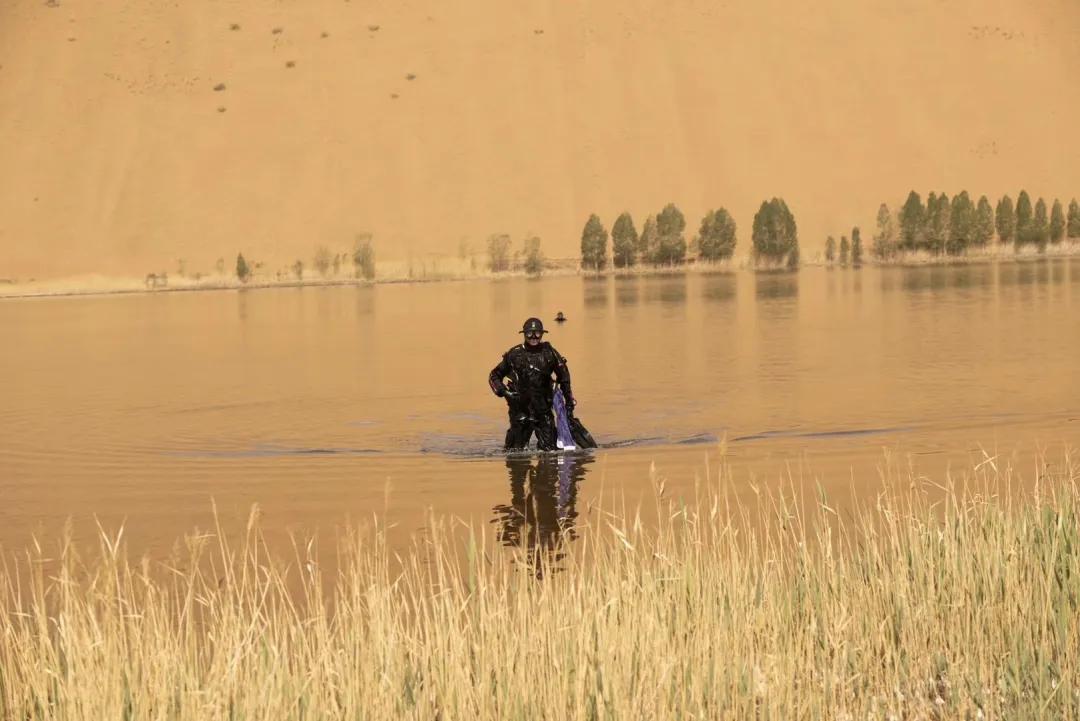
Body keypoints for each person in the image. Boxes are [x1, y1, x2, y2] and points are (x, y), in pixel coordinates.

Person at [488, 317, 575, 451]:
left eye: (537, 333)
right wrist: (504, 392)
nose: (533, 337)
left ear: (542, 334)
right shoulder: (514, 354)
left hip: (543, 409)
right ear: (524, 334)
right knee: (515, 454)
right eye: (529, 333)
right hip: (520, 409)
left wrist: (568, 403)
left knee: (550, 452)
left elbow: (564, 377)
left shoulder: (549, 353)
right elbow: (494, 375)